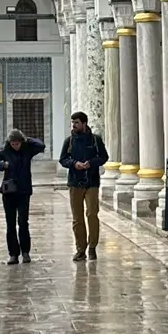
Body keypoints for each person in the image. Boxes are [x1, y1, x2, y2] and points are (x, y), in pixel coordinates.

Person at [58, 110, 109, 262]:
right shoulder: (69, 141)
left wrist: (91, 163)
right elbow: (63, 159)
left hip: (92, 182)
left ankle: (92, 246)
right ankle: (81, 249)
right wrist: (74, 164)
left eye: (76, 123)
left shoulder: (95, 140)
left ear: (84, 123)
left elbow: (104, 157)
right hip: (75, 183)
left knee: (92, 214)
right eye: (72, 123)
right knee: (77, 218)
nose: (73, 125)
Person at [0, 127, 44, 263]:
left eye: (17, 143)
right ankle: (13, 254)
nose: (15, 146)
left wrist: (26, 139)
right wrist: (3, 165)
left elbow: (41, 145)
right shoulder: (5, 150)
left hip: (24, 190)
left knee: (23, 222)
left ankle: (25, 252)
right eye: (13, 144)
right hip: (9, 192)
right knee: (10, 223)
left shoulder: (27, 149)